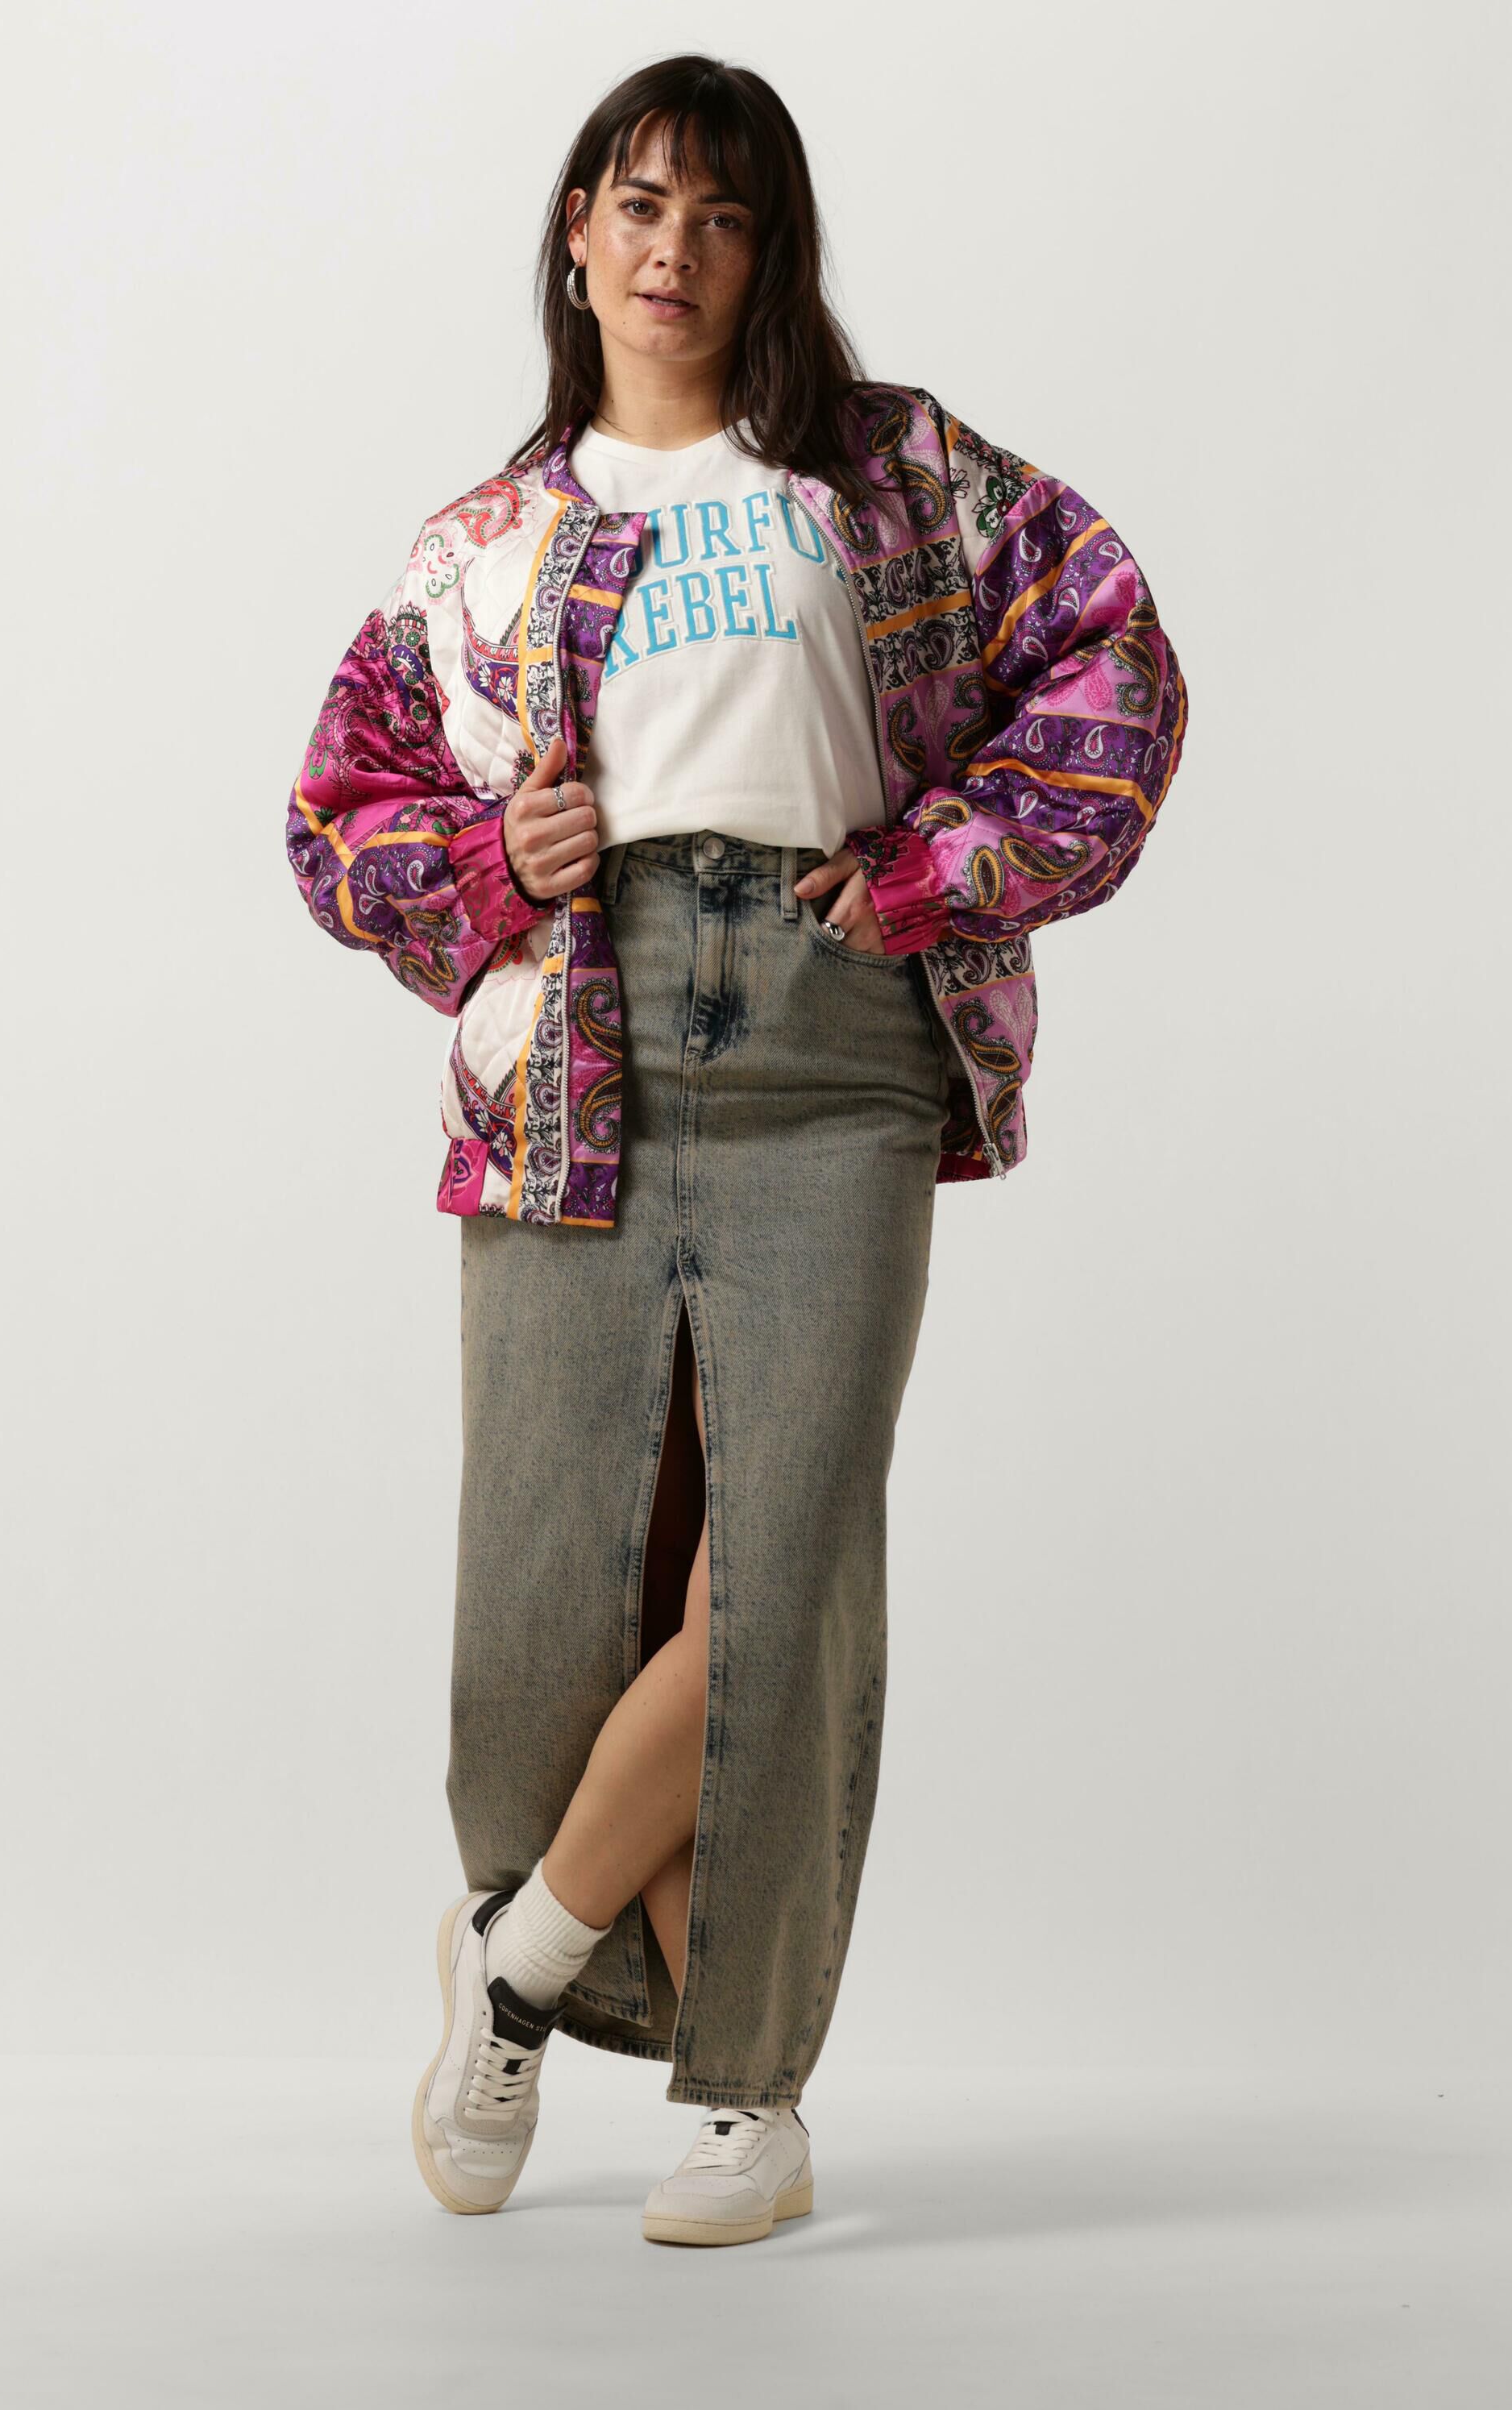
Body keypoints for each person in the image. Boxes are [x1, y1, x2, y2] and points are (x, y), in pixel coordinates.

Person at [285, 53, 1188, 2250]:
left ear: (769, 251)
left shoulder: (889, 476)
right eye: (636, 202)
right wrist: (489, 859)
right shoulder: (481, 543)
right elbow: (336, 816)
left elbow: (1112, 661)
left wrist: (939, 864)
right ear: (575, 233)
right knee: (549, 1588)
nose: (671, 248)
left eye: (720, 212)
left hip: (830, 1036)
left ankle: (606, 2013)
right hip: (569, 1050)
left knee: (783, 1565)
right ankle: (651, 2020)